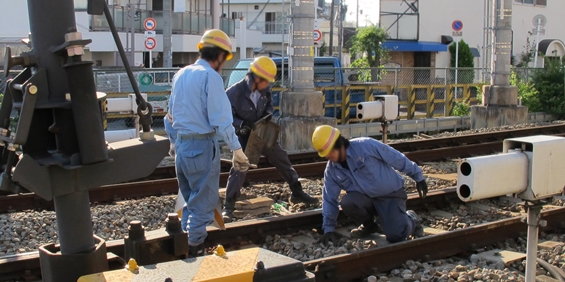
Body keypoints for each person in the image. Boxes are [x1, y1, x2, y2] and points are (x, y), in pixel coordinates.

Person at [168, 29, 253, 257]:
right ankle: (194, 251)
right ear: (219, 56)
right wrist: (237, 150)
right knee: (204, 206)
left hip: (182, 148)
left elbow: (170, 117)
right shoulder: (210, 77)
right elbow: (222, 120)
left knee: (190, 201)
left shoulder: (181, 74)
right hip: (202, 147)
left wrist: (173, 142)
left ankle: (184, 246)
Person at [222, 56, 318, 222]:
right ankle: (228, 206)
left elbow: (269, 106)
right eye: (266, 80)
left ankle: (296, 191)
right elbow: (225, 118)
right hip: (244, 135)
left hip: (261, 131)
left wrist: (267, 116)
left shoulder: (264, 90)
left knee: (280, 157)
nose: (269, 84)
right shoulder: (233, 93)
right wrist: (242, 124)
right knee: (240, 167)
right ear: (256, 77)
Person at [311, 125, 428, 244]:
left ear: (340, 144)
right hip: (367, 199)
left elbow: (395, 158)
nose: (328, 156)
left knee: (395, 235)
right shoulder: (332, 170)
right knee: (348, 202)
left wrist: (418, 177)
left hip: (390, 195)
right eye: (325, 154)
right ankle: (369, 225)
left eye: (330, 152)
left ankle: (411, 219)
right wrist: (328, 229)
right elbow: (329, 199)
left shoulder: (365, 146)